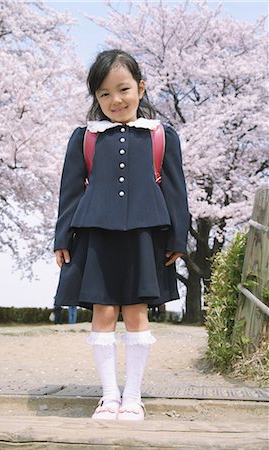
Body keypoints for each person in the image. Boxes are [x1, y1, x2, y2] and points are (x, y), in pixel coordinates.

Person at [53, 49, 189, 421]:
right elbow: (70, 192)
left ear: (141, 88)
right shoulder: (85, 138)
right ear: (96, 98)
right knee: (104, 310)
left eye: (123, 89)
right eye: (104, 94)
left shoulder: (162, 136)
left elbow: (176, 190)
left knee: (135, 311)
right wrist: (62, 238)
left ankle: (133, 397)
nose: (115, 100)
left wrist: (179, 237)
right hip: (96, 236)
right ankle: (109, 396)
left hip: (145, 236)